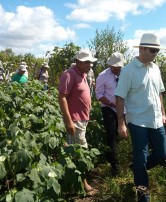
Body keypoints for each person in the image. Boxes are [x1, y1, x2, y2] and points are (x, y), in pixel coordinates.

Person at [115, 33, 166, 202]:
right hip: (137, 121)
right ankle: (142, 194)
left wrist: (163, 114)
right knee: (141, 157)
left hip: (156, 119)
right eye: (153, 50)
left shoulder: (155, 68)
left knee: (162, 155)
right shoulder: (128, 71)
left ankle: (137, 169)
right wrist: (121, 123)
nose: (156, 54)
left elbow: (159, 93)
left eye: (157, 51)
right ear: (142, 49)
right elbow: (119, 98)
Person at [58, 49, 97, 194]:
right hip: (74, 121)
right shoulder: (69, 74)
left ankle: (75, 182)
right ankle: (82, 184)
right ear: (79, 62)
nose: (90, 65)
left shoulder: (83, 74)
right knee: (79, 153)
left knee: (78, 151)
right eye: (87, 62)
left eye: (90, 62)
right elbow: (62, 97)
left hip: (82, 120)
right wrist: (68, 122)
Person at [95, 52, 125, 176]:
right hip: (109, 108)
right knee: (111, 134)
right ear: (110, 65)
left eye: (118, 66)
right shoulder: (102, 76)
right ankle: (114, 164)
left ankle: (120, 155)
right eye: (114, 66)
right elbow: (99, 94)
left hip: (124, 108)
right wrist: (111, 104)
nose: (116, 69)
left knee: (122, 133)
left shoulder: (125, 74)